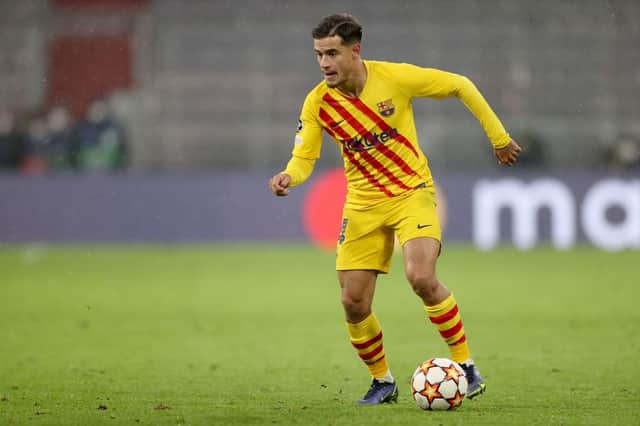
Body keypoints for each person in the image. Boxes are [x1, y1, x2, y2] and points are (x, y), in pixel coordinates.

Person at [269, 13, 522, 405]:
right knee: (353, 303)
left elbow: (461, 85)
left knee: (421, 277)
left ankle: (466, 366)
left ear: (356, 51)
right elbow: (305, 156)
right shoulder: (318, 103)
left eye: (332, 53)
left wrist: (500, 138)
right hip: (362, 203)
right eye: (319, 54)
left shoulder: (395, 78)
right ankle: (382, 382)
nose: (324, 63)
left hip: (411, 193)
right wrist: (289, 175)